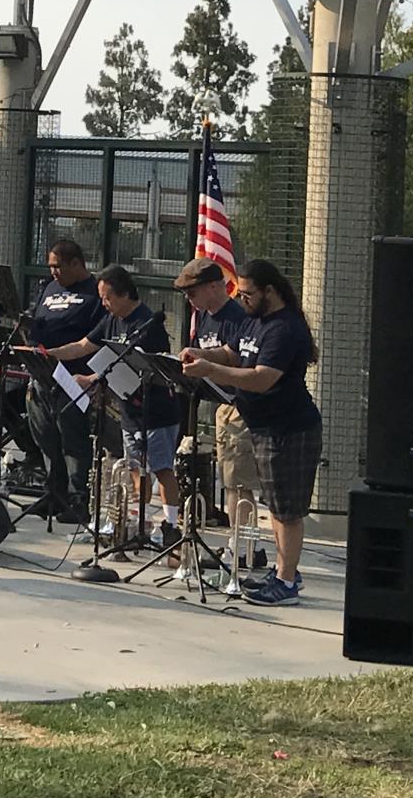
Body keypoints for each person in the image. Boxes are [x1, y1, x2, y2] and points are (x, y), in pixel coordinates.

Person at [180, 257, 323, 607]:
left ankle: (287, 582)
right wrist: (202, 353)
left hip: (290, 428)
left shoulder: (284, 328)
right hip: (263, 426)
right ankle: (281, 571)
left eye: (246, 293)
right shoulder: (254, 321)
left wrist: (209, 369)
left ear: (269, 291)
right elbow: (233, 352)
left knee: (288, 510)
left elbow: (261, 377)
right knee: (274, 505)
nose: (241, 299)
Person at [52, 266, 180, 548]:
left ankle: (172, 524)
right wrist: (51, 355)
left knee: (161, 468)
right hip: (129, 411)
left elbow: (134, 366)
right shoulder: (111, 320)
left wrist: (92, 379)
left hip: (156, 410)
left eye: (108, 297)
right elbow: (84, 345)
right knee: (134, 467)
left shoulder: (147, 324)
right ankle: (137, 520)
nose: (104, 303)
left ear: (124, 293)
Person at [176, 257, 258, 564]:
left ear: (214, 286)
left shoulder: (236, 316)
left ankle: (245, 549)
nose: (189, 299)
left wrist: (202, 356)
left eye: (193, 292)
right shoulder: (206, 318)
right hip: (219, 405)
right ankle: (239, 544)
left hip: (240, 405)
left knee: (239, 481)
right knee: (228, 479)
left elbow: (234, 355)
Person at [18, 238, 104, 525]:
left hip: (74, 378)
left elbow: (96, 339)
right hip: (42, 375)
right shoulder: (49, 288)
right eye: (50, 267)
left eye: (58, 267)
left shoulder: (94, 293)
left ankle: (78, 498)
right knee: (45, 437)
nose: (53, 272)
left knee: (73, 441)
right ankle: (52, 494)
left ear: (76, 263)